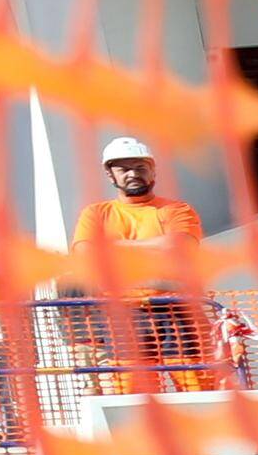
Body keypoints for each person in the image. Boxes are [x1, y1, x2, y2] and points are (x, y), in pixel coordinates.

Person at [75, 131, 218, 397]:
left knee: (197, 388)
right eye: (124, 169)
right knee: (131, 394)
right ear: (111, 176)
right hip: (123, 314)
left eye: (140, 167)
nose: (133, 174)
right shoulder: (95, 214)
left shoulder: (176, 210)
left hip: (177, 312)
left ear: (153, 171)